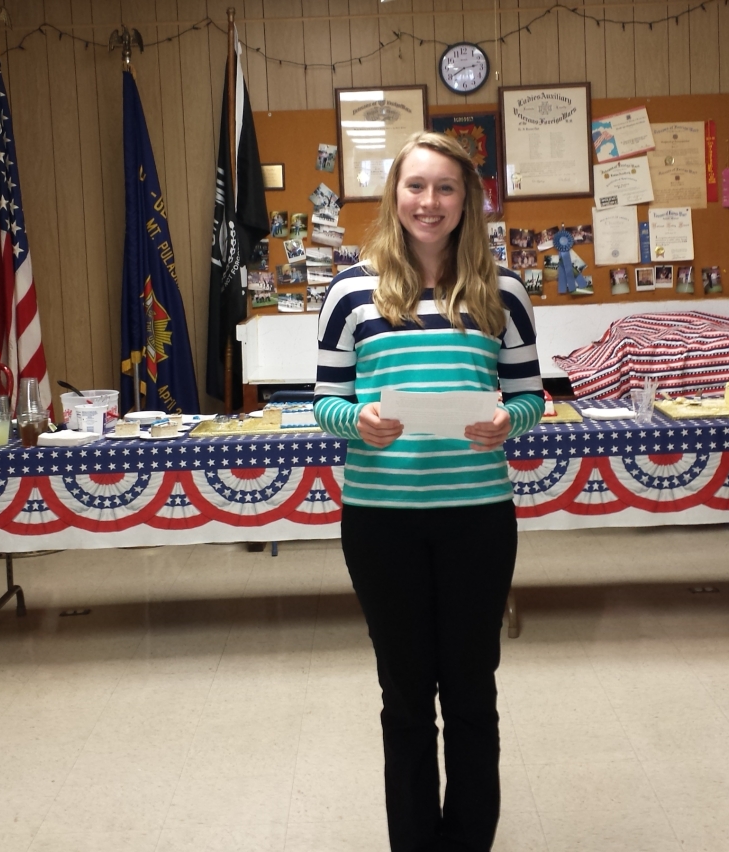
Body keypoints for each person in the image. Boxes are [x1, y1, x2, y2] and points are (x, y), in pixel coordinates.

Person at [314, 131, 545, 852]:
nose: (429, 201)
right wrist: (358, 421)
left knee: (472, 693)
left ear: (467, 199)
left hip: (478, 521)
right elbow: (325, 402)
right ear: (395, 195)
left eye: (446, 187)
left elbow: (530, 396)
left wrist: (509, 420)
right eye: (416, 186)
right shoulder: (350, 292)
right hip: (382, 523)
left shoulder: (504, 290)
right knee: (406, 697)